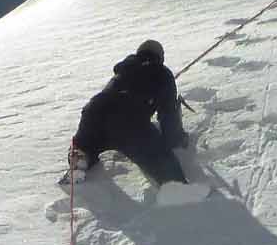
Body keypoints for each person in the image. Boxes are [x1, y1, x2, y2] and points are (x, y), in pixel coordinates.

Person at [67, 39, 190, 187]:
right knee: (168, 172)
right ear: (160, 57)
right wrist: (176, 138)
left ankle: (81, 157)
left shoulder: (124, 69)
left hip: (94, 112)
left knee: (87, 144)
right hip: (129, 122)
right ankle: (176, 187)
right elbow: (168, 114)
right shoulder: (162, 73)